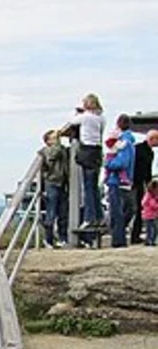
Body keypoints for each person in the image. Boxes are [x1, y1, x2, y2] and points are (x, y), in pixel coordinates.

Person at [65, 95, 107, 246]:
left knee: (88, 187)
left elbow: (71, 121)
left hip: (87, 150)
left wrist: (77, 111)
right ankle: (99, 216)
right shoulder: (101, 118)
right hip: (97, 151)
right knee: (94, 186)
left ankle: (89, 218)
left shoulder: (85, 117)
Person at [107, 116, 138, 247]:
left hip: (117, 181)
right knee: (126, 209)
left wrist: (109, 163)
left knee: (117, 211)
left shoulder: (122, 143)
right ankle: (119, 237)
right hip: (126, 181)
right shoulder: (130, 143)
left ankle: (118, 239)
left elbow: (121, 163)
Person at [37, 128, 71, 248]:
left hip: (62, 183)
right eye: (54, 138)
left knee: (63, 213)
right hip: (51, 183)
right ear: (48, 141)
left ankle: (62, 238)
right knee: (51, 213)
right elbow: (52, 156)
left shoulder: (62, 150)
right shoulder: (45, 151)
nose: (57, 140)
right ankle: (48, 239)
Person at [138, 129, 157, 243]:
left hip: (142, 180)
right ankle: (149, 240)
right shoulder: (141, 150)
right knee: (151, 227)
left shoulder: (148, 151)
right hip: (139, 181)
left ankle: (149, 239)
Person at [143, 179, 158, 246]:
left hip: (154, 215)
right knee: (150, 229)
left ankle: (152, 240)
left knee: (155, 229)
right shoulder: (149, 196)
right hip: (149, 216)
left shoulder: (154, 196)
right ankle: (149, 241)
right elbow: (153, 205)